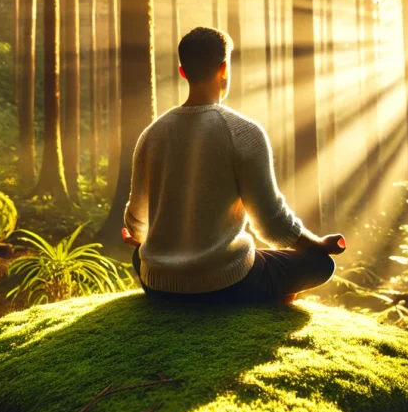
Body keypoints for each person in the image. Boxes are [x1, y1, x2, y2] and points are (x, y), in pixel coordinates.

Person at [121, 27, 345, 304]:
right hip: (227, 283)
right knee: (321, 265)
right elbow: (271, 221)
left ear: (183, 72)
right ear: (224, 68)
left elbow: (136, 221)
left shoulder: (152, 134)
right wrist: (316, 244)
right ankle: (266, 293)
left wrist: (143, 238)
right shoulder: (244, 132)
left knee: (140, 255)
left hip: (159, 286)